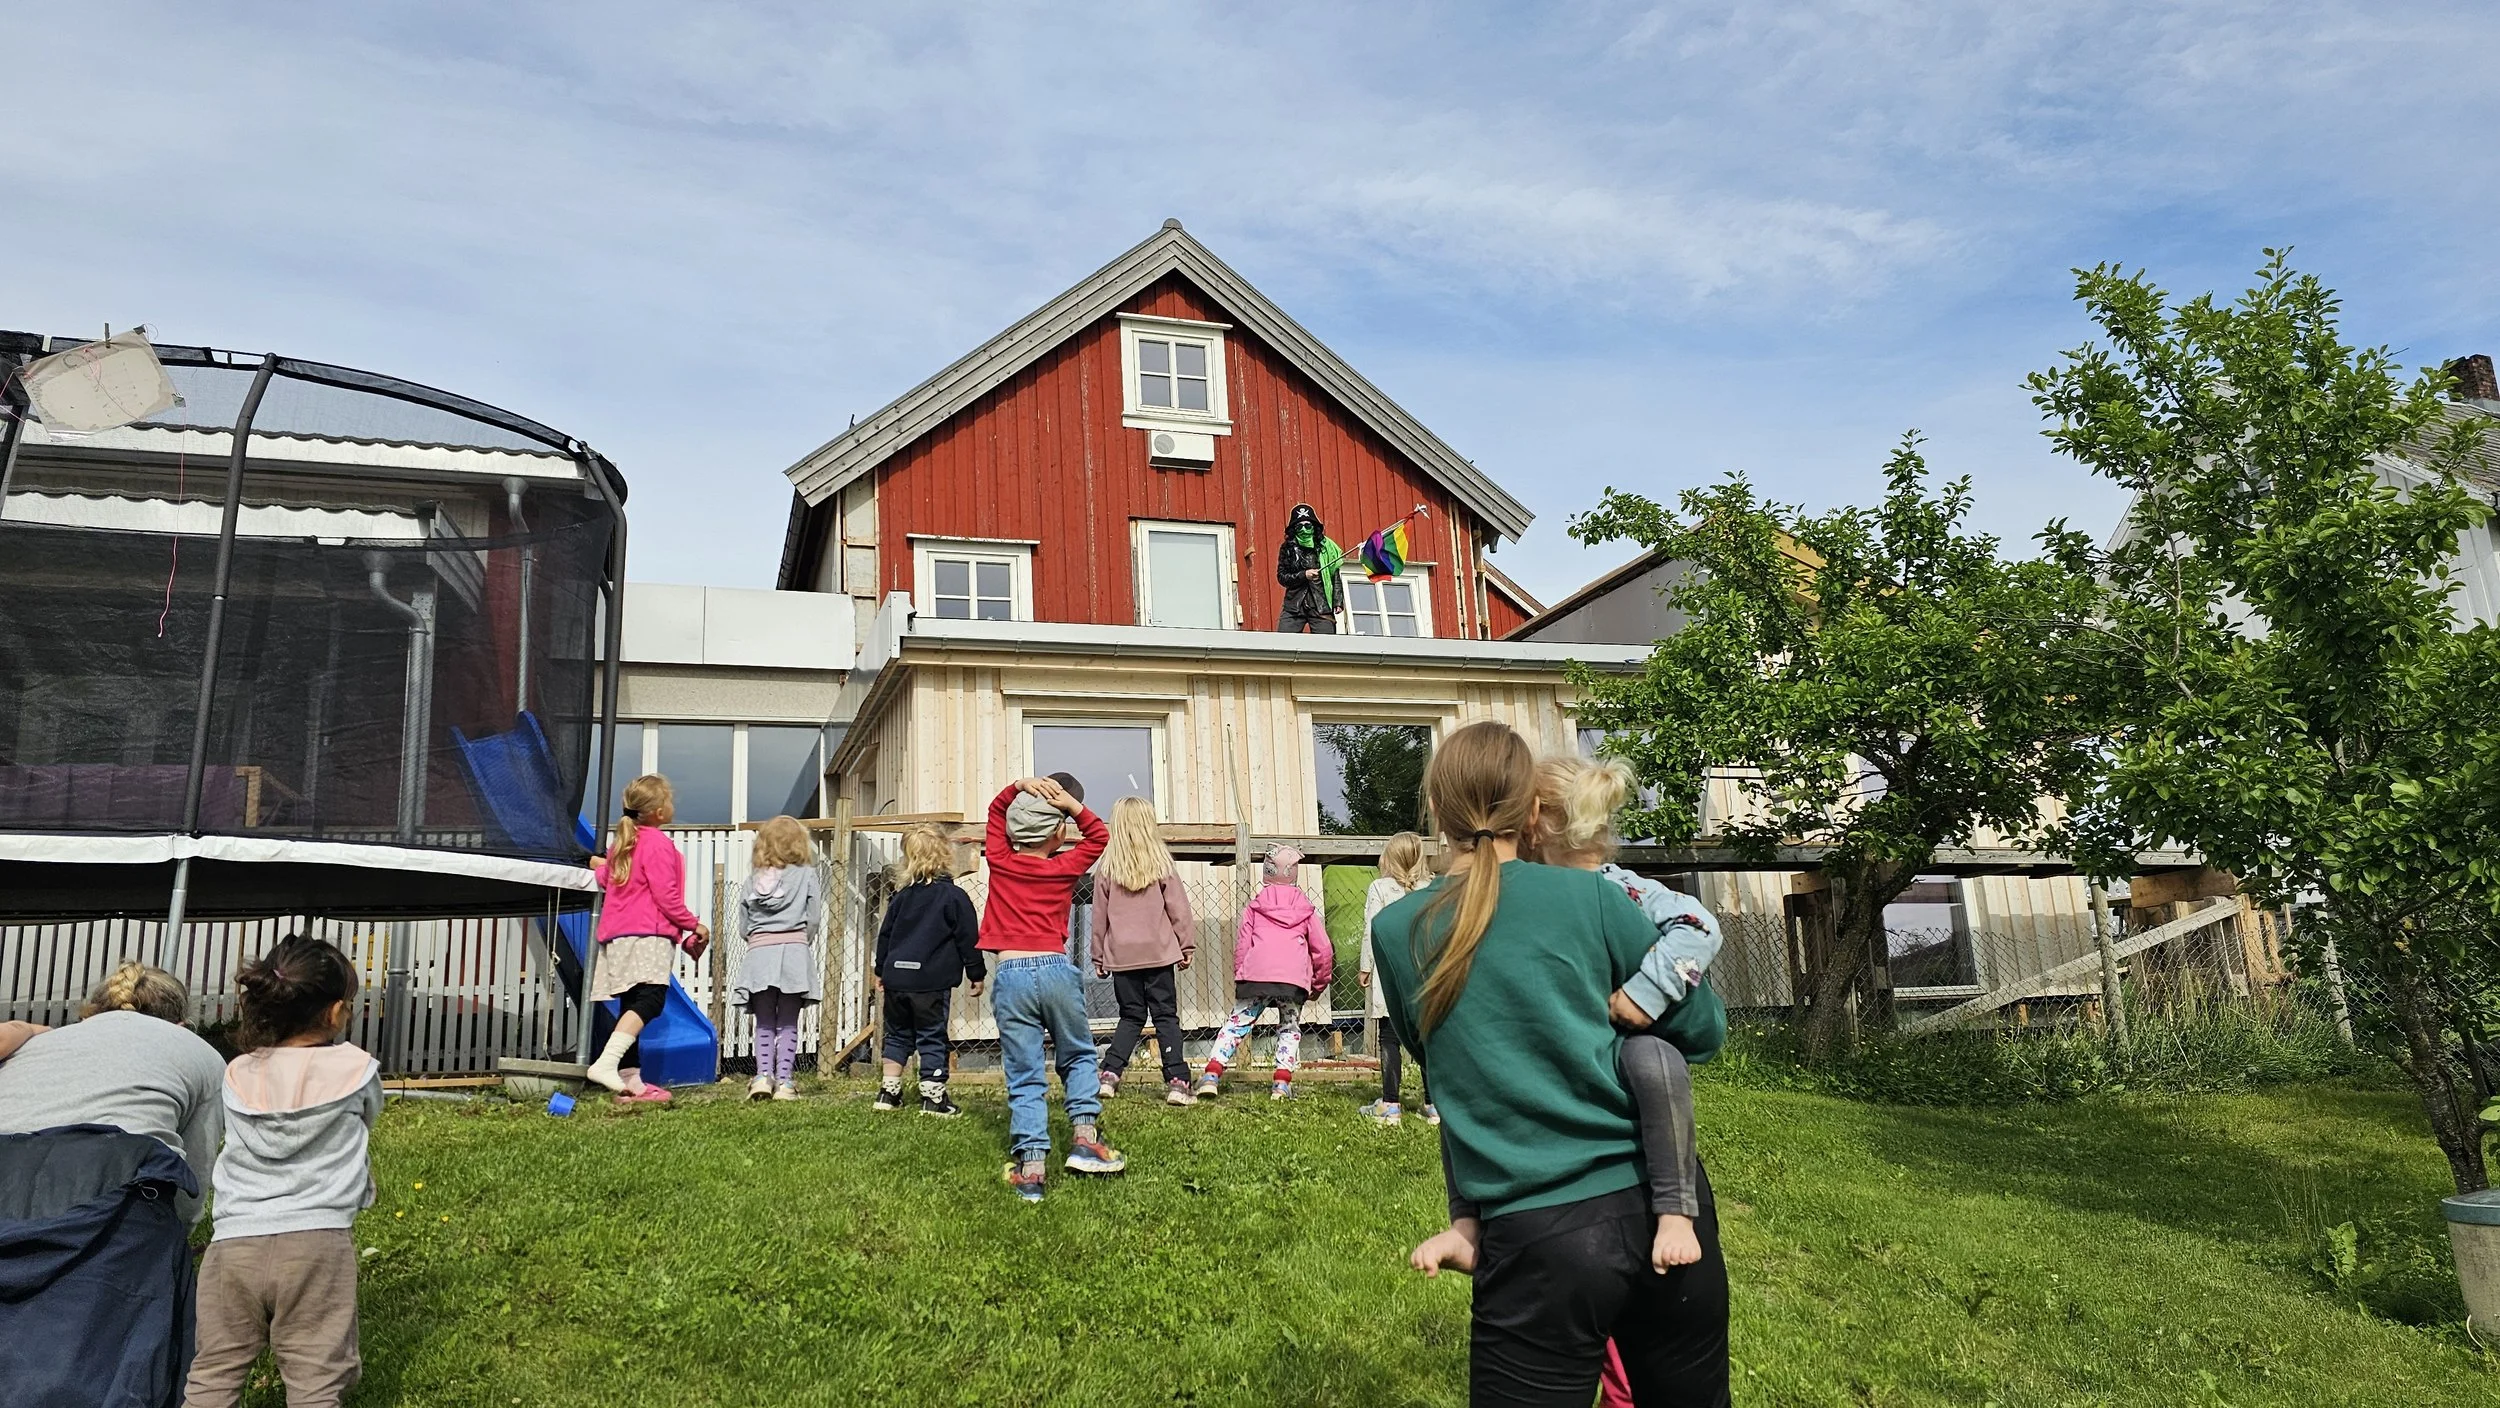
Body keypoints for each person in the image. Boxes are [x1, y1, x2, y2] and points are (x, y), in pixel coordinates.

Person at [1373, 721, 1730, 1407]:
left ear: (1438, 814)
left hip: (1535, 1233)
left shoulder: (1398, 930)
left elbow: (1437, 1057)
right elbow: (1705, 1031)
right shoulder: (1596, 897)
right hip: (1663, 1206)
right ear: (1532, 813)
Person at [1535, 754, 1730, 1406]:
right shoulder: (1535, 890)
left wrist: (1646, 994)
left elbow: (1700, 926)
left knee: (1658, 1064)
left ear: (1541, 824)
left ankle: (1677, 1212)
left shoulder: (1630, 890)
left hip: (1633, 1041)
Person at [184, 935, 381, 1408]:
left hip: (233, 1245)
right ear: (335, 1013)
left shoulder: (237, 1074)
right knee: (316, 1377)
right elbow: (367, 1123)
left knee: (213, 1372)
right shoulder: (357, 1071)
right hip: (317, 1243)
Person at [982, 775, 1125, 1201]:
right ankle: (1085, 1141)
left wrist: (1019, 785)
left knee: (1024, 1072)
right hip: (1056, 968)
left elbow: (993, 811)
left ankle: (1031, 1170)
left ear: (1012, 833)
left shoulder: (1001, 861)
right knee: (1078, 1053)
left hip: (1010, 973)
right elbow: (1099, 836)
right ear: (1059, 833)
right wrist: (1072, 804)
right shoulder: (1063, 867)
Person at [0, 961, 225, 1225]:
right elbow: (192, 1180)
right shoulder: (199, 1052)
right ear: (182, 1025)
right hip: (116, 1206)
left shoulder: (33, 1043)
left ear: (88, 1016)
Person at [587, 774, 709, 1103]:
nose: (672, 806)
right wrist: (694, 924)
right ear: (657, 811)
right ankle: (607, 1063)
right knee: (652, 999)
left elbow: (607, 876)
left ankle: (630, 1083)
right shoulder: (656, 843)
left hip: (619, 937)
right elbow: (665, 896)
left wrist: (599, 864)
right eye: (669, 801)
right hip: (648, 934)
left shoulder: (624, 843)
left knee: (631, 1001)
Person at [1195, 844, 1334, 1101]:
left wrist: (1241, 974)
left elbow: (1243, 945)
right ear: (1295, 874)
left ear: (1266, 873)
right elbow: (1323, 949)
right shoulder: (1305, 909)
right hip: (1292, 980)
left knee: (1237, 1023)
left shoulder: (1255, 906)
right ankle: (1281, 1084)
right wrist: (1318, 984)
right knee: (1289, 1027)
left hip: (1256, 975)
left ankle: (1212, 1074)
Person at [1090, 796, 1197, 1106]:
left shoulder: (1107, 869)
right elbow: (1179, 909)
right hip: (1159, 953)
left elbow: (1099, 916)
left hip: (1123, 956)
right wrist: (1185, 944)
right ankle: (1177, 1081)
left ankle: (1109, 1074)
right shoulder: (1162, 866)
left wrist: (1098, 954)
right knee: (1165, 1017)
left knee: (1130, 1017)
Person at [873, 823, 984, 1116]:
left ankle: (888, 1093)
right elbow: (968, 938)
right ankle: (933, 1098)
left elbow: (886, 935)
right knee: (931, 1035)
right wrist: (976, 973)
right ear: (946, 854)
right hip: (930, 982)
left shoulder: (901, 898)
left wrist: (881, 969)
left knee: (896, 1035)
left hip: (897, 977)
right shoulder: (953, 897)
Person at [734, 815, 824, 1103]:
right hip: (794, 954)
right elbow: (813, 918)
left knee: (763, 1021)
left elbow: (743, 925)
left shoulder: (753, 879)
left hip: (759, 955)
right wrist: (801, 940)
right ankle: (784, 1082)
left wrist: (757, 941)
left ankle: (762, 1077)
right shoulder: (807, 875)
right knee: (787, 1021)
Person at [1359, 831, 1435, 1126]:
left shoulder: (1380, 888)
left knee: (1389, 1036)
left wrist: (1365, 966)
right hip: (1424, 973)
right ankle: (1433, 1104)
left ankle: (1390, 1103)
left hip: (1390, 971)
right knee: (1426, 1037)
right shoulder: (1430, 888)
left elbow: (1372, 930)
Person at [1274, 502, 1341, 633]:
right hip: (1294, 605)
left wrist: (1338, 601)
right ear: (1294, 529)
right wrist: (1303, 575)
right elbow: (1282, 577)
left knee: (1327, 645)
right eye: (1299, 527)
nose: (1304, 530)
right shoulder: (1288, 548)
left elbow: (1335, 575)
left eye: (1307, 526)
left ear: (1314, 527)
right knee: (1283, 642)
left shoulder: (1326, 547)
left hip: (1321, 604)